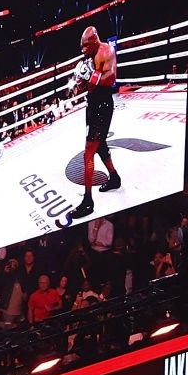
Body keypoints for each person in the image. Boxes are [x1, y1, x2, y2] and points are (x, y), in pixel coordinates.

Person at [63, 25, 121, 227]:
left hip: (104, 106)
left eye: (86, 47)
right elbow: (85, 85)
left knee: (89, 153)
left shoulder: (107, 51)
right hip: (92, 105)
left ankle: (88, 201)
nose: (83, 50)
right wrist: (80, 81)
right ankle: (114, 178)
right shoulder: (86, 58)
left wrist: (91, 77)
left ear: (95, 41)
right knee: (100, 145)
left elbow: (111, 77)